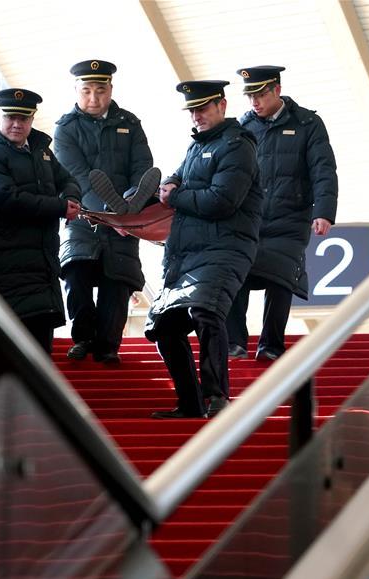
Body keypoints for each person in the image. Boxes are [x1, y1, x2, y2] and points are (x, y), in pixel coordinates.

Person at [147, 80, 261, 419]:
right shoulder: (196, 146)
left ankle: (217, 397)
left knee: (205, 311)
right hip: (187, 255)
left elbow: (222, 201)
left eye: (203, 108)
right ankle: (191, 404)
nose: (197, 115)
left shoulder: (238, 145)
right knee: (164, 326)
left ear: (222, 105)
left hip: (226, 248)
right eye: (193, 110)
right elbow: (176, 180)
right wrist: (166, 187)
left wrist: (176, 195)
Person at [225, 66, 338, 361]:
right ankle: (234, 343)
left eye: (260, 94)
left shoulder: (308, 123)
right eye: (250, 96)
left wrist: (324, 212)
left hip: (291, 216)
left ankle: (271, 346)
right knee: (236, 274)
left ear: (277, 89)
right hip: (249, 219)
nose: (255, 102)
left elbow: (323, 170)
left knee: (281, 278)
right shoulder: (242, 127)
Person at [54, 60, 154, 364]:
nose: (94, 98)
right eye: (86, 91)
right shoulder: (65, 128)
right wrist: (109, 214)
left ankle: (108, 345)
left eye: (100, 90)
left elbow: (142, 168)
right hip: (83, 218)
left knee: (118, 280)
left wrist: (129, 205)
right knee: (76, 274)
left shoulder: (131, 124)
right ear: (76, 90)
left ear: (110, 89)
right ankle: (83, 338)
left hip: (126, 217)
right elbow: (76, 176)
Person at [0, 88, 81, 353]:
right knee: (10, 359)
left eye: (24, 118)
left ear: (32, 119)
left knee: (40, 358)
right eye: (10, 117)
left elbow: (68, 180)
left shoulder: (42, 153)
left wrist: (70, 197)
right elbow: (6, 199)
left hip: (41, 272)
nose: (17, 124)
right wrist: (59, 207)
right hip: (5, 273)